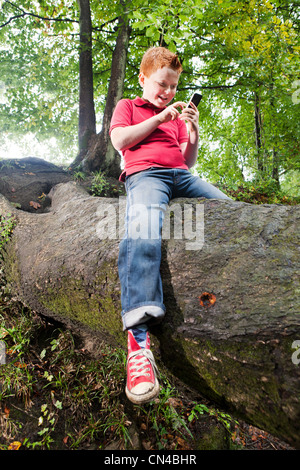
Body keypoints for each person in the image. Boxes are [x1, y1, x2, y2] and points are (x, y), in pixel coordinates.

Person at [109, 46, 230, 405]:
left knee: (231, 209)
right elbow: (120, 141)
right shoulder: (129, 107)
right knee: (143, 227)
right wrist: (160, 117)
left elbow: (188, 162)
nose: (168, 93)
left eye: (174, 87)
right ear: (144, 79)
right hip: (146, 175)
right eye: (162, 85)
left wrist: (192, 132)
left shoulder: (176, 115)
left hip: (180, 175)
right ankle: (139, 341)